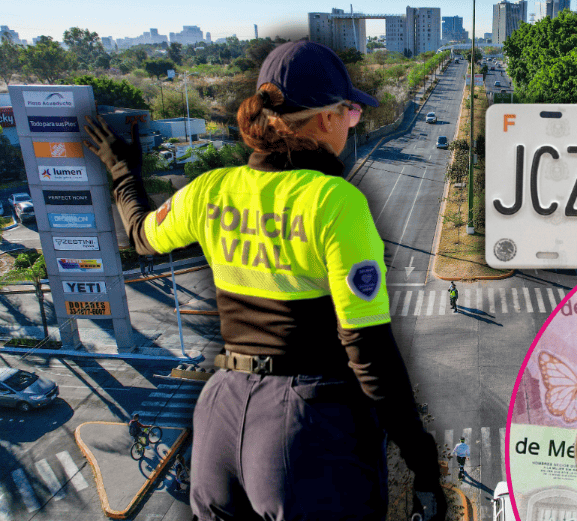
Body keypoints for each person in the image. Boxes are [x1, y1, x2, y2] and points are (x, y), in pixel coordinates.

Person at [83, 41, 446, 521]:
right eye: (352, 112)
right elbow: (369, 351)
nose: (353, 123)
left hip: (220, 416)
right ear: (326, 118)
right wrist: (424, 468)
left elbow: (140, 234)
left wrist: (121, 168)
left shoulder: (210, 189)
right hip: (308, 431)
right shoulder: (335, 202)